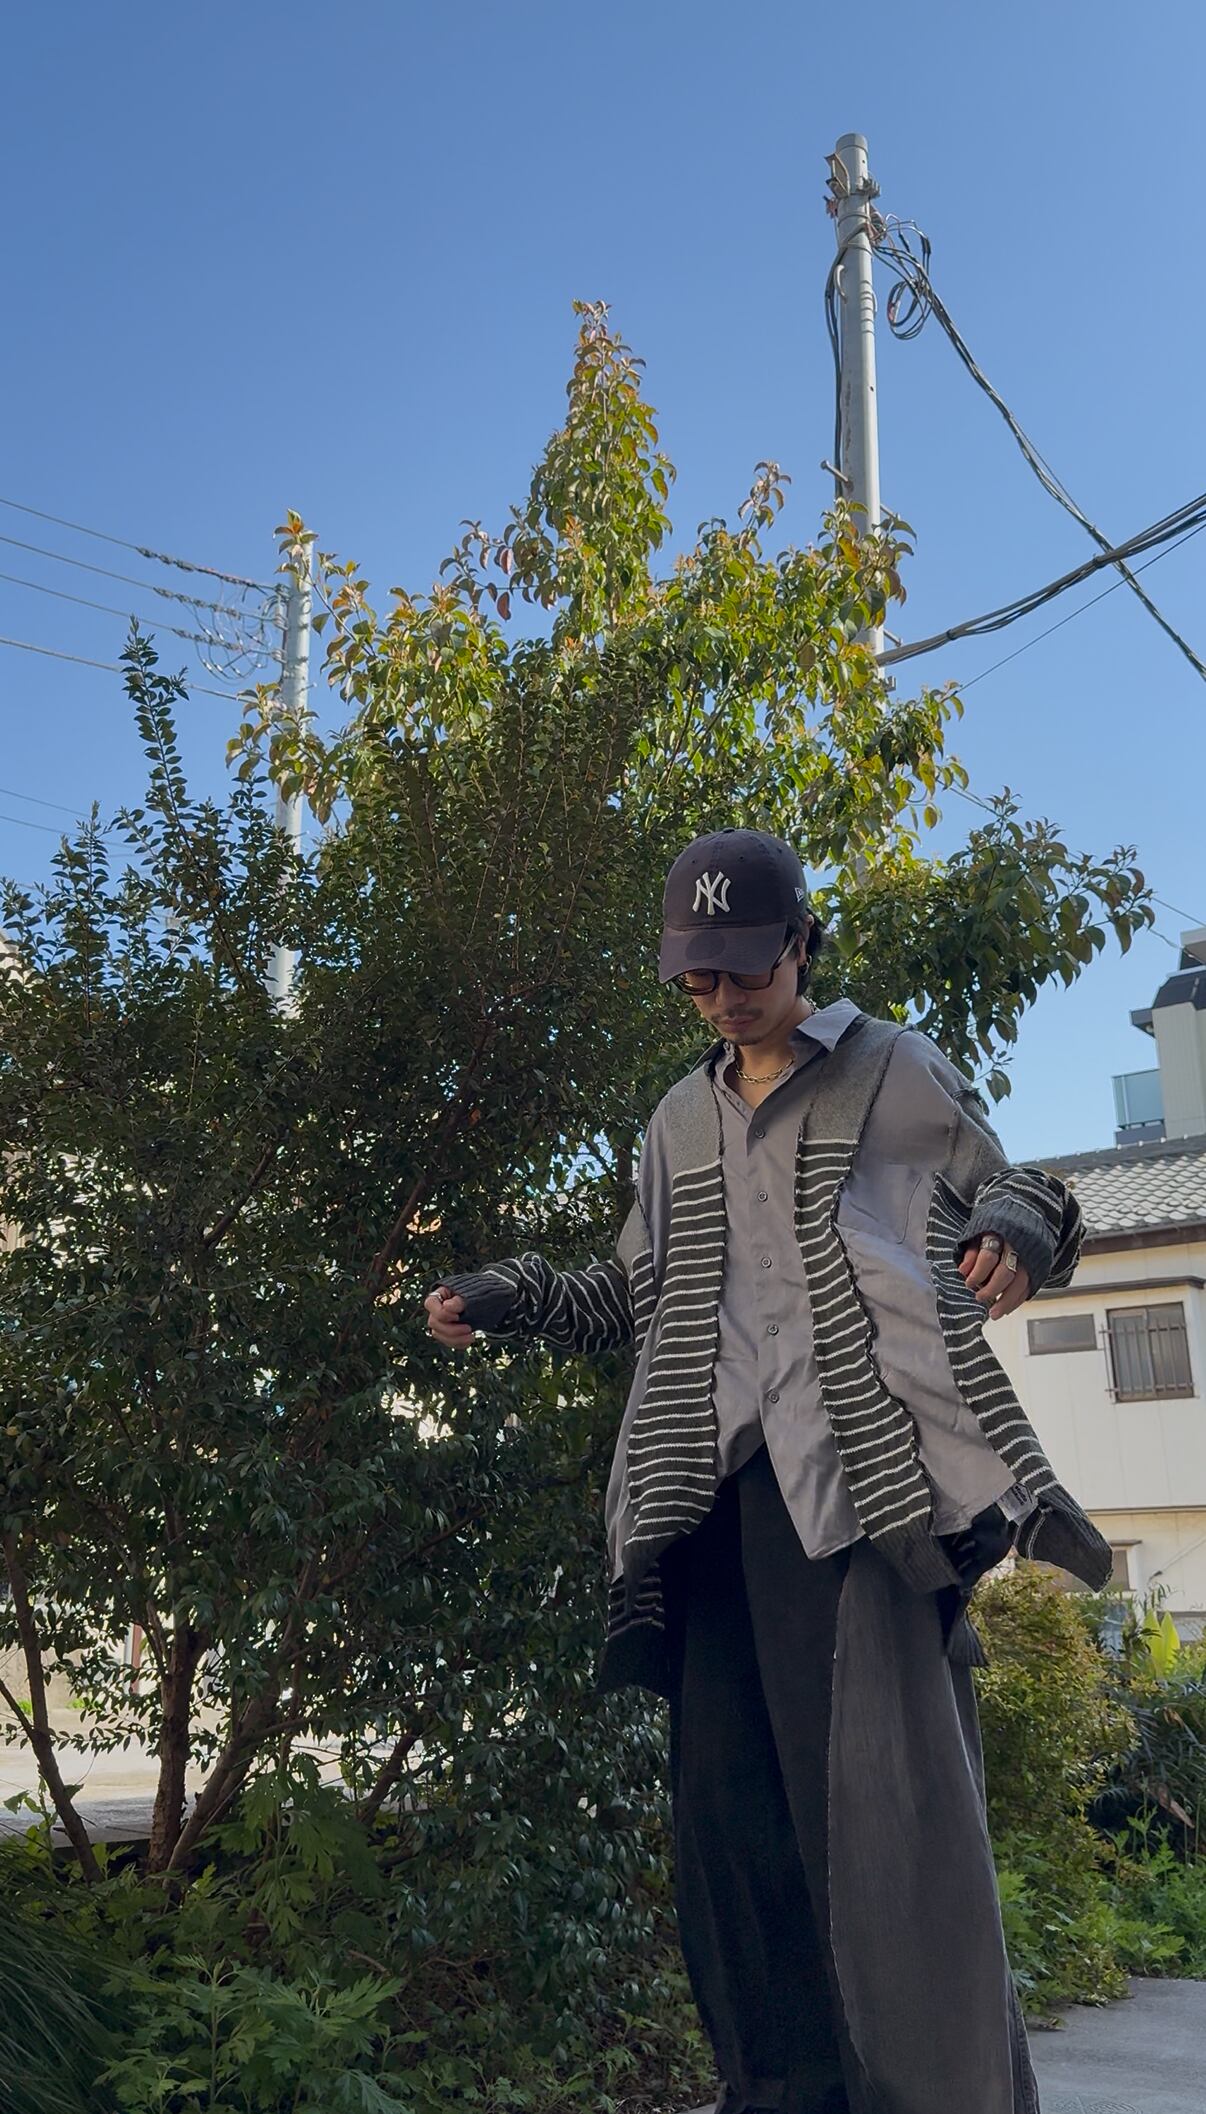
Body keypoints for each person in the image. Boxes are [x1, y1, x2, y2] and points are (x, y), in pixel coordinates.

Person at [425, 827, 1109, 2114]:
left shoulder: (893, 1068)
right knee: (733, 1836)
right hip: (712, 1508)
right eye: (698, 974)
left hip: (863, 1503)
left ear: (802, 943)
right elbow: (629, 1297)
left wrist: (1018, 1228)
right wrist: (509, 1293)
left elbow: (1018, 1191)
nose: (724, 995)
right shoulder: (677, 1120)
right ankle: (776, 2093)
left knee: (891, 1833)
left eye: (746, 966)